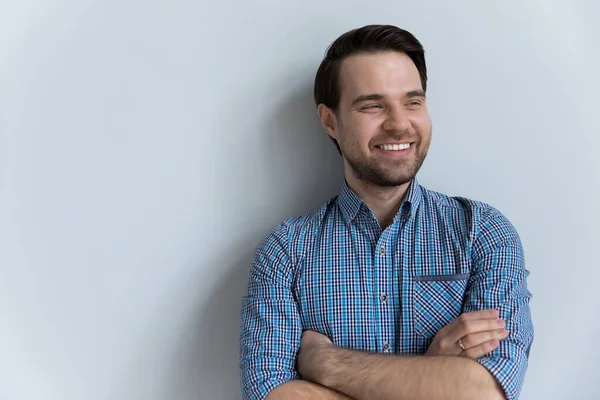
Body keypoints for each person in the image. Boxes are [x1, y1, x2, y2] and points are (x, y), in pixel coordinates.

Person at [239, 24, 534, 400]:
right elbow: (270, 395)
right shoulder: (285, 251)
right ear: (330, 121)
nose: (399, 123)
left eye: (412, 101)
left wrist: (326, 362)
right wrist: (433, 374)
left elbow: (487, 393)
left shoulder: (483, 232)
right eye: (373, 105)